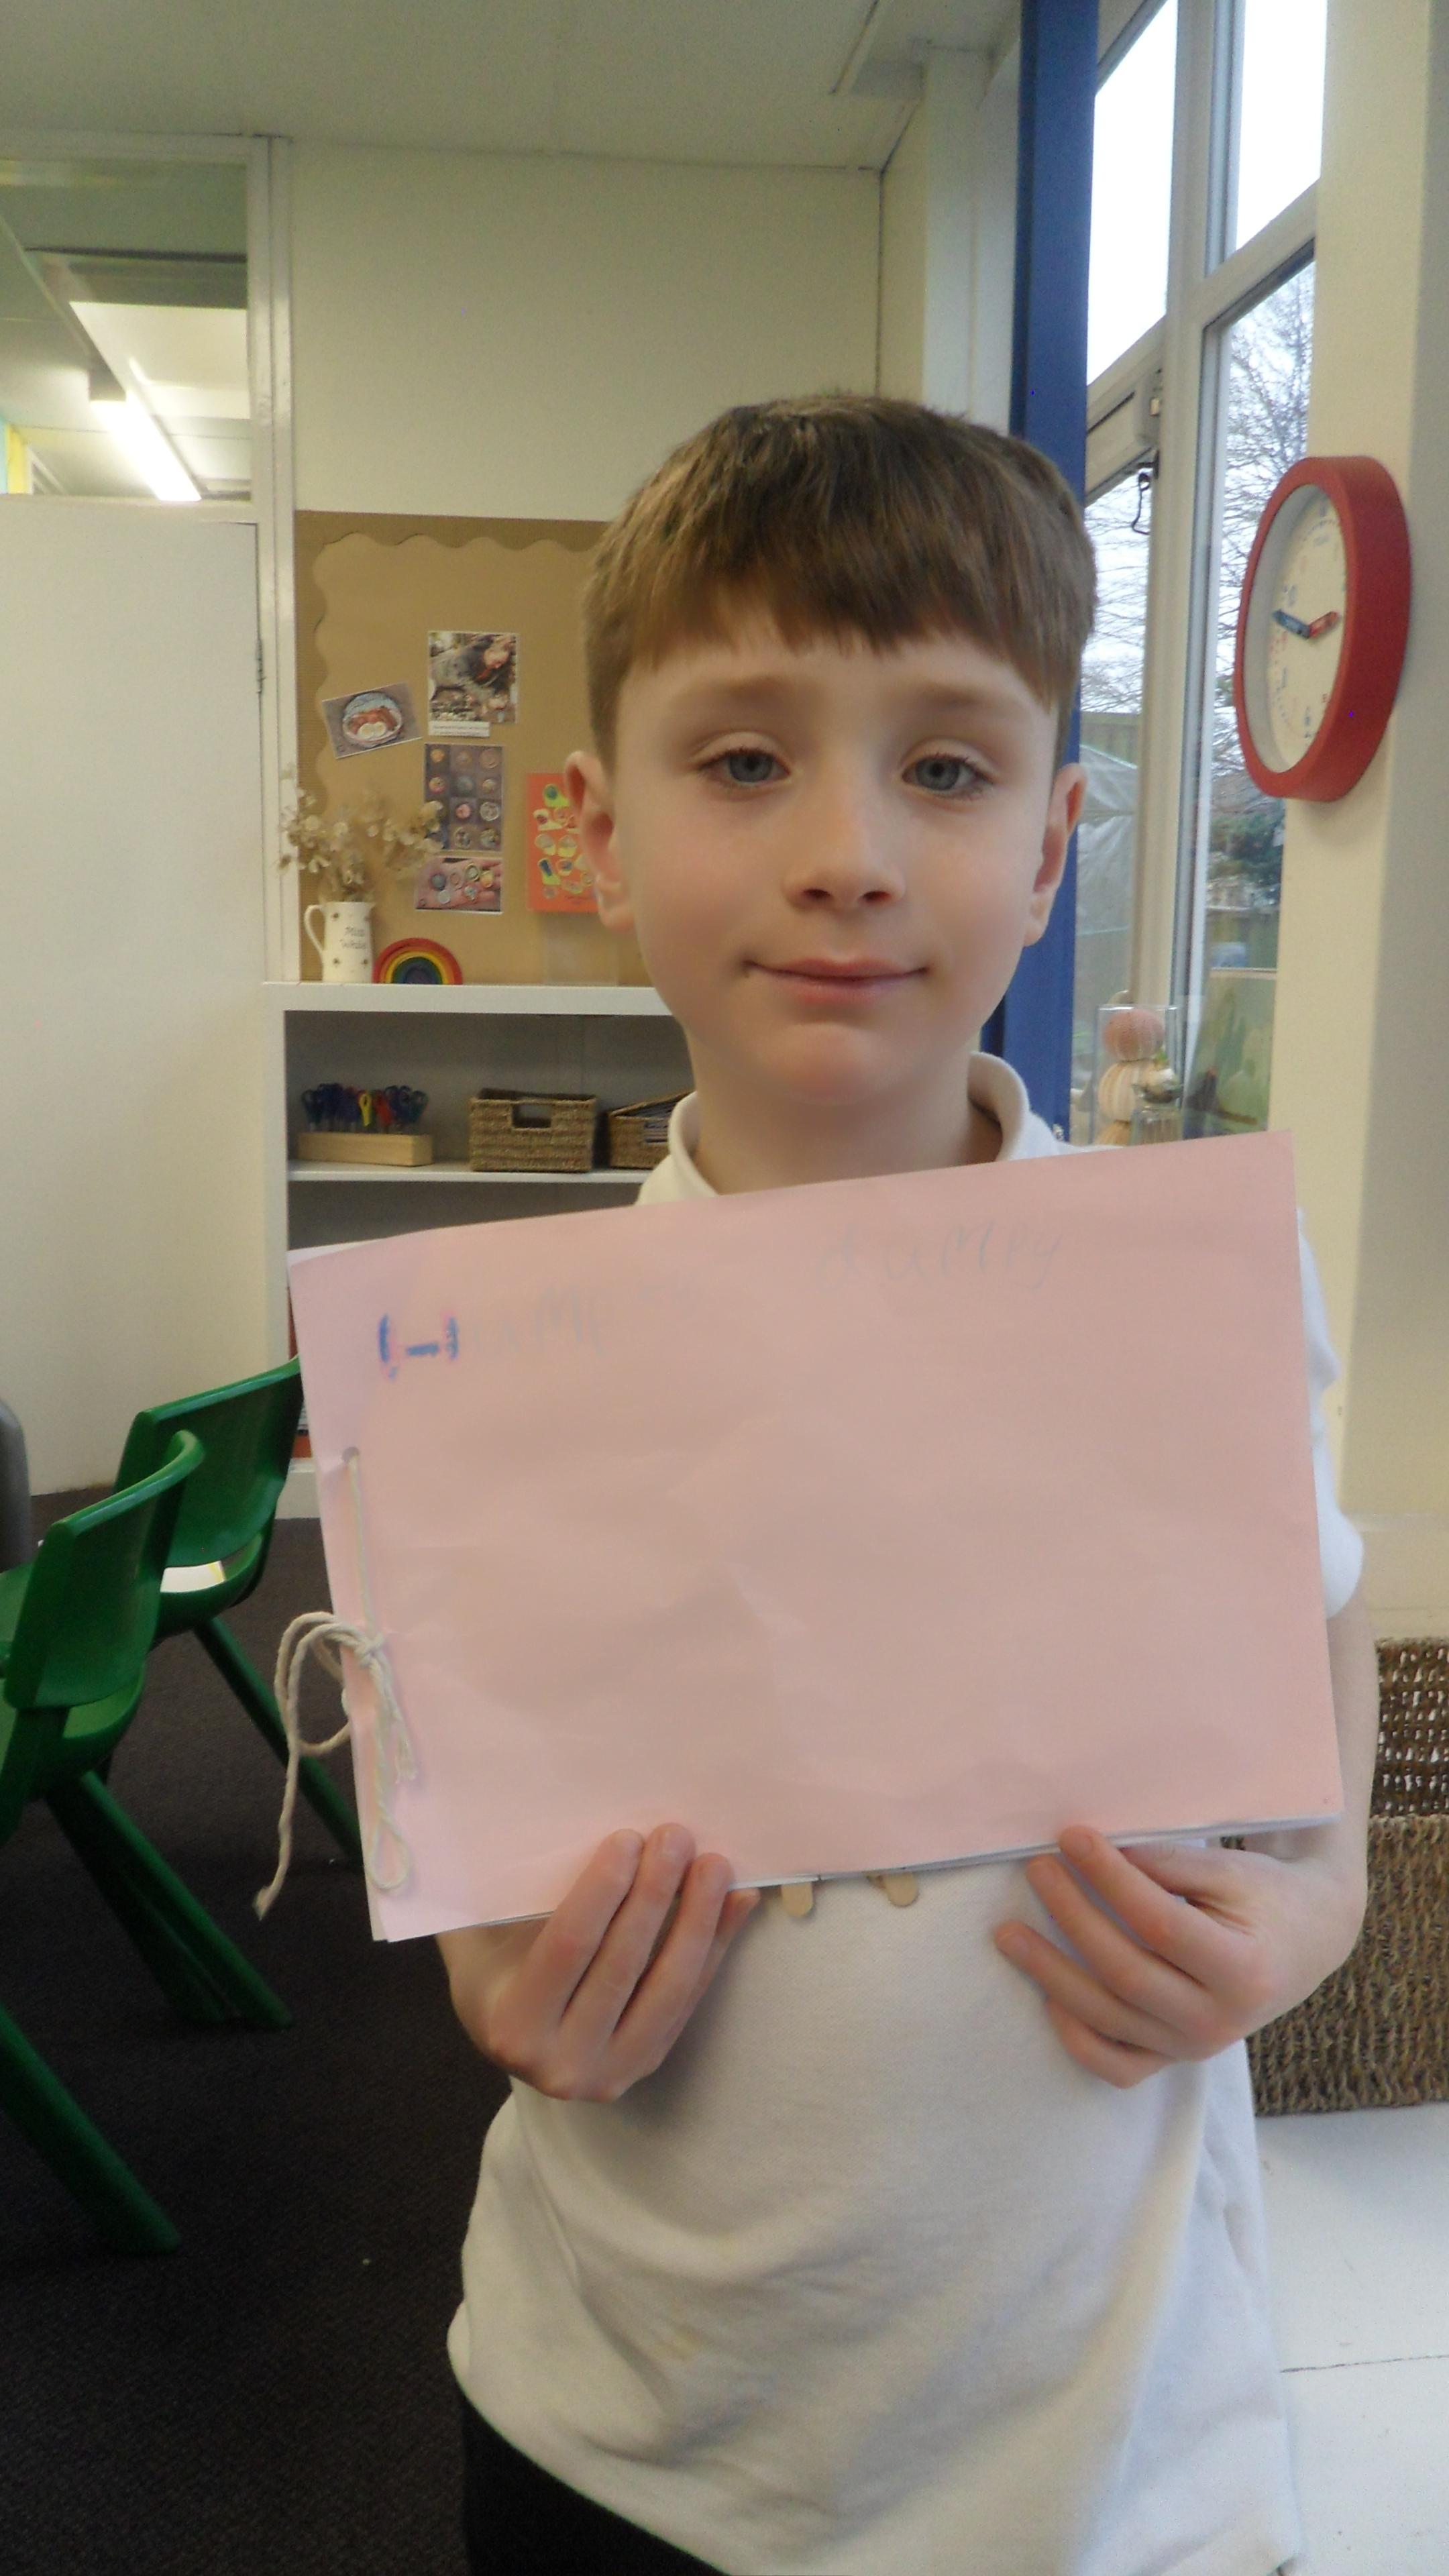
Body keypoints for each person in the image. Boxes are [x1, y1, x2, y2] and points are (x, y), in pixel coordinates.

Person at [437, 396, 1380, 2576]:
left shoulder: (1187, 1289)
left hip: (1110, 2462)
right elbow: (471, 1743)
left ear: (1052, 849)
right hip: (628, 2429)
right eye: (743, 759)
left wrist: (1324, 1896)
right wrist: (494, 1971)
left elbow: (1320, 1601)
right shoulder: (519, 1373)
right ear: (595, 830)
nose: (848, 850)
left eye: (947, 769)